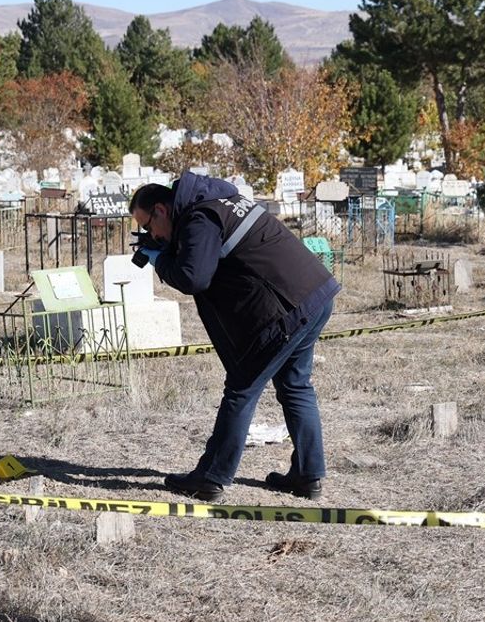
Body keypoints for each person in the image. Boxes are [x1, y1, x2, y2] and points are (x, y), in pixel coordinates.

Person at [130, 172, 340, 502]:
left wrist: (161, 259)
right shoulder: (217, 201)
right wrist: (169, 249)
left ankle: (211, 476)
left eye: (147, 226)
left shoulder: (200, 217)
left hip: (287, 309)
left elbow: (193, 277)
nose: (150, 235)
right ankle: (307, 475)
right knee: (295, 385)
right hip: (315, 294)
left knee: (241, 387)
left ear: (160, 209)